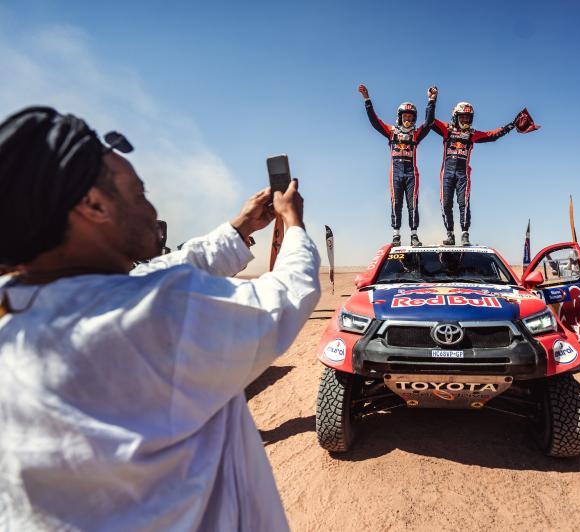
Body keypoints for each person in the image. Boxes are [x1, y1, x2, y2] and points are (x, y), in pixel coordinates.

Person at [0, 106, 321, 530]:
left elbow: (158, 272)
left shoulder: (18, 311)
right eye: (138, 194)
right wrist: (293, 224)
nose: (151, 209)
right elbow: (288, 294)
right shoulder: (156, 315)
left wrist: (240, 227)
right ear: (94, 205)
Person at [432, 103, 523, 246]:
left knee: (463, 203)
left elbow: (491, 135)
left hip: (463, 174)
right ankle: (450, 234)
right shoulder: (446, 129)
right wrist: (432, 101)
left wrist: (510, 126)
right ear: (455, 117)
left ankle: (465, 234)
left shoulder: (472, 134)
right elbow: (430, 121)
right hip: (447, 173)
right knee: (446, 203)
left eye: (468, 118)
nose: (465, 120)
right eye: (462, 117)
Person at [359, 84, 437, 247]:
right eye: (405, 117)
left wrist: (431, 101)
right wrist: (367, 100)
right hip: (395, 173)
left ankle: (414, 235)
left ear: (414, 119)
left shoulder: (416, 134)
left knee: (412, 203)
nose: (407, 120)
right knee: (396, 202)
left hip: (411, 174)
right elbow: (375, 122)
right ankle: (396, 235)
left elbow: (429, 123)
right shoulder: (391, 132)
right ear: (400, 117)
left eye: (410, 117)